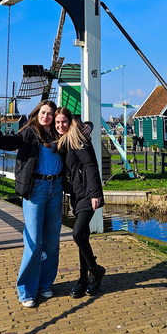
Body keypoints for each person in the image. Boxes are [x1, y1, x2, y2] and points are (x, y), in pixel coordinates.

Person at [0, 100, 63, 308]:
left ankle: (45, 284)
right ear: (37, 113)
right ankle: (26, 290)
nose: (46, 116)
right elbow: (5, 143)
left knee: (51, 239)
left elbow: (77, 129)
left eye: (50, 113)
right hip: (36, 188)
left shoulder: (58, 133)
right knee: (33, 241)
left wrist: (87, 126)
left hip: (55, 187)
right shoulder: (30, 132)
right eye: (43, 113)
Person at [54, 107, 106, 299]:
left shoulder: (78, 139)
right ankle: (84, 279)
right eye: (57, 122)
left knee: (77, 233)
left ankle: (95, 270)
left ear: (71, 121)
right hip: (76, 194)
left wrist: (94, 193)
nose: (60, 125)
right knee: (83, 236)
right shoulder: (64, 140)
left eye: (63, 122)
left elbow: (90, 165)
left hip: (87, 194)